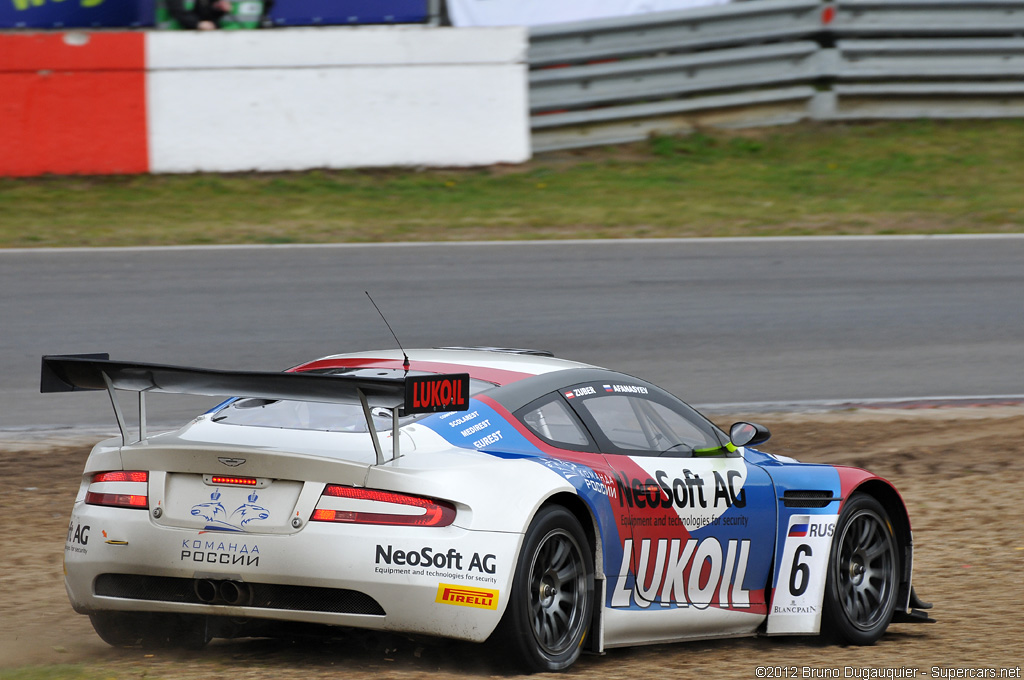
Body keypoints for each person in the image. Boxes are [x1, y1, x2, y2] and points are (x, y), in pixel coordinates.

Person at [166, 0, 232, 29]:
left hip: (196, 34)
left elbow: (204, 13)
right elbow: (177, 11)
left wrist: (217, 9)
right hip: (173, 32)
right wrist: (197, 24)